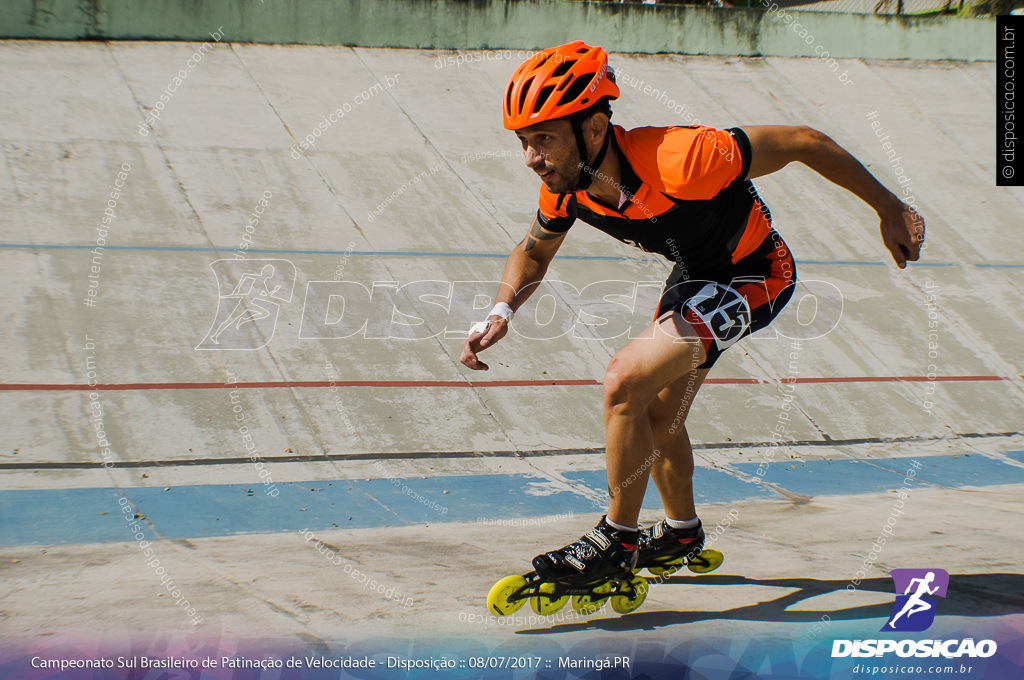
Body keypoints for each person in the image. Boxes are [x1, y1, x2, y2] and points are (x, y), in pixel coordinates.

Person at [460, 41, 924, 587]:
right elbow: (534, 250)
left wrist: (889, 207)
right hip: (696, 279)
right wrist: (501, 310)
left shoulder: (681, 159)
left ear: (593, 127)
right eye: (523, 142)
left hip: (757, 273)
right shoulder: (568, 187)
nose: (532, 159)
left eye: (543, 140)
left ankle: (616, 538)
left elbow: (805, 142)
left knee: (622, 382)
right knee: (657, 415)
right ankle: (682, 532)